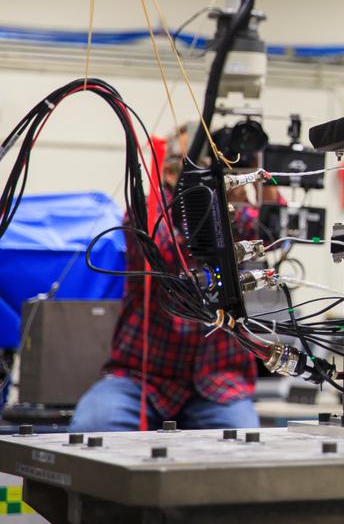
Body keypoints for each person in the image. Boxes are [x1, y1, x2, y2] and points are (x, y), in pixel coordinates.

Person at [70, 124, 260, 432]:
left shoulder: (236, 213)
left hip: (218, 384)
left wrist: (251, 178)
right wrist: (197, 196)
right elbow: (167, 254)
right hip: (141, 380)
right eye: (196, 162)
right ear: (171, 171)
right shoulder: (145, 212)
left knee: (245, 443)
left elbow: (273, 233)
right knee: (92, 427)